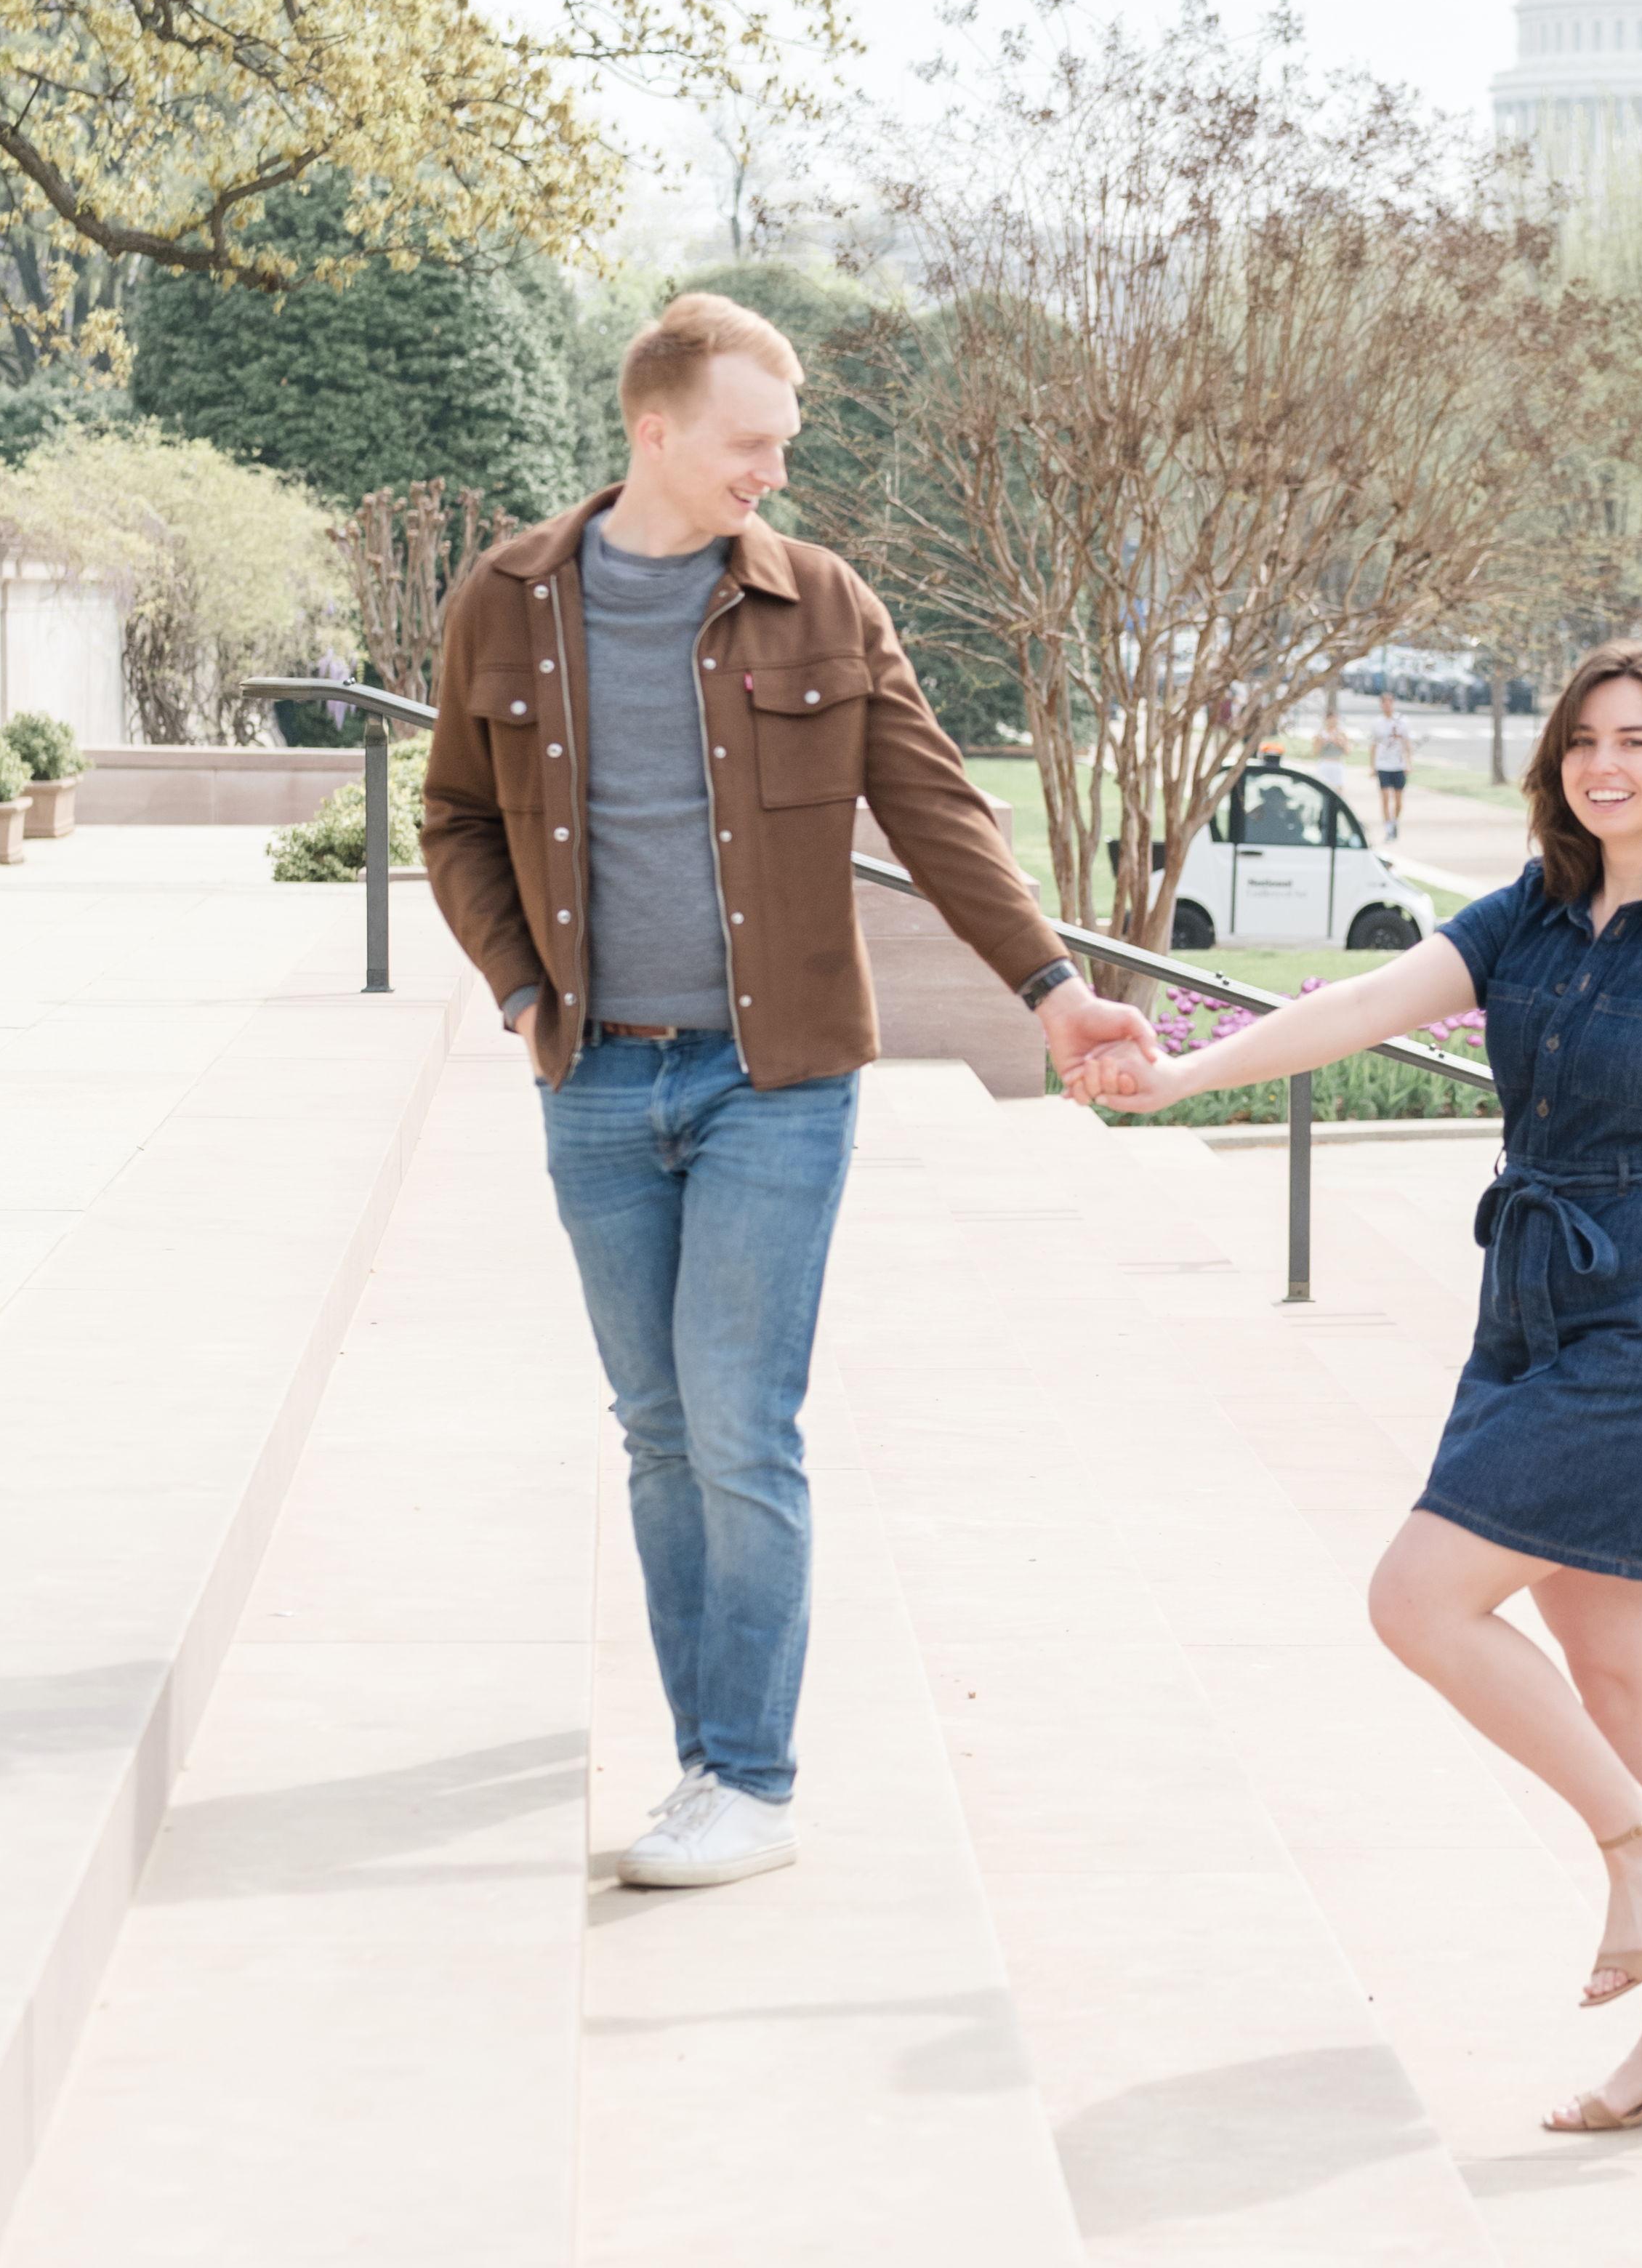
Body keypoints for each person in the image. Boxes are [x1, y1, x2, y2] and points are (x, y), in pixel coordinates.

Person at [421, 293, 1159, 1890]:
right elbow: (457, 817)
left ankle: (748, 1781)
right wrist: (524, 989)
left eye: (785, 444)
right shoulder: (509, 599)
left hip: (778, 1083)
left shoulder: (819, 602)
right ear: (656, 429)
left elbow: (938, 808)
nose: (775, 470)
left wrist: (1052, 989)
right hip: (592, 1075)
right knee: (657, 1431)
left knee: (740, 1424)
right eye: (752, 443)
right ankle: (707, 1761)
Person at [1067, 641, 1642, 2131]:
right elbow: (1360, 1004)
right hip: (1532, 1302)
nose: (1603, 765)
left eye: (1637, 740)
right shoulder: (1531, 911)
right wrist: (1182, 1077)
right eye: (1583, 740)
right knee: (1622, 1673)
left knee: (1417, 1597)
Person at [1369, 695, 1414, 840]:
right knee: (1385, 797)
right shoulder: (1377, 723)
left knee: (1399, 801)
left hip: (1398, 764)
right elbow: (1373, 745)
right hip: (1383, 765)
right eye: (1385, 703)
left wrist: (1409, 763)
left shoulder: (1402, 721)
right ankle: (1388, 828)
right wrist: (1373, 766)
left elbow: (1407, 743)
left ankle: (1395, 822)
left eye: (1390, 703)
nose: (1387, 706)